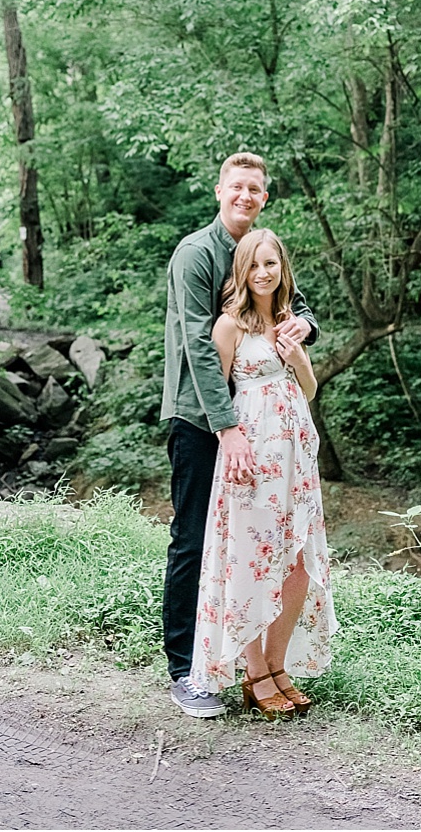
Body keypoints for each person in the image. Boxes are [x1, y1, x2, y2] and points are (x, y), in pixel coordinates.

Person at [161, 153, 319, 718]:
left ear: (264, 198)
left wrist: (307, 326)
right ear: (219, 191)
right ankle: (187, 670)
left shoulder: (257, 251)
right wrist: (227, 428)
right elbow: (201, 345)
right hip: (201, 419)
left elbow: (289, 305)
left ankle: (254, 666)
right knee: (197, 540)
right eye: (237, 187)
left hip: (258, 429)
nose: (245, 196)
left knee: (250, 548)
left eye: (255, 189)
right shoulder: (196, 254)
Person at [190, 228, 337, 718]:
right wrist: (232, 443)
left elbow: (311, 390)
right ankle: (254, 675)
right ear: (241, 272)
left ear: (282, 267)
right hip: (253, 458)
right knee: (253, 562)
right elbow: (220, 392)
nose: (263, 273)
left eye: (271, 263)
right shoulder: (229, 327)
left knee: (296, 562)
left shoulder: (290, 322)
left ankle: (278, 666)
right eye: (253, 265)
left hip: (296, 455)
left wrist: (298, 358)